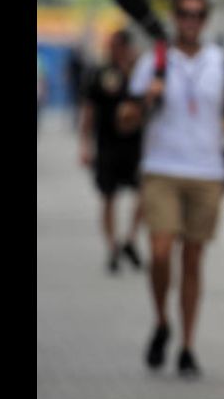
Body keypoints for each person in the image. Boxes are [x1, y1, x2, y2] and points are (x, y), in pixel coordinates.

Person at [120, 0, 224, 377]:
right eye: (184, 14)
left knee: (192, 259)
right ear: (175, 17)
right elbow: (125, 120)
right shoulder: (155, 60)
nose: (190, 21)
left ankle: (188, 345)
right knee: (160, 252)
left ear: (205, 20)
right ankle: (162, 320)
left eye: (197, 14)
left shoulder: (223, 62)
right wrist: (147, 98)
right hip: (161, 169)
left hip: (207, 174)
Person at [79, 29, 144, 273]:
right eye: (111, 45)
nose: (113, 50)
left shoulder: (140, 72)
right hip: (107, 144)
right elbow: (89, 110)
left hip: (136, 145)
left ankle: (130, 239)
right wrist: (85, 145)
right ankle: (112, 246)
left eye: (117, 45)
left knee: (145, 193)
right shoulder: (100, 73)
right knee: (108, 196)